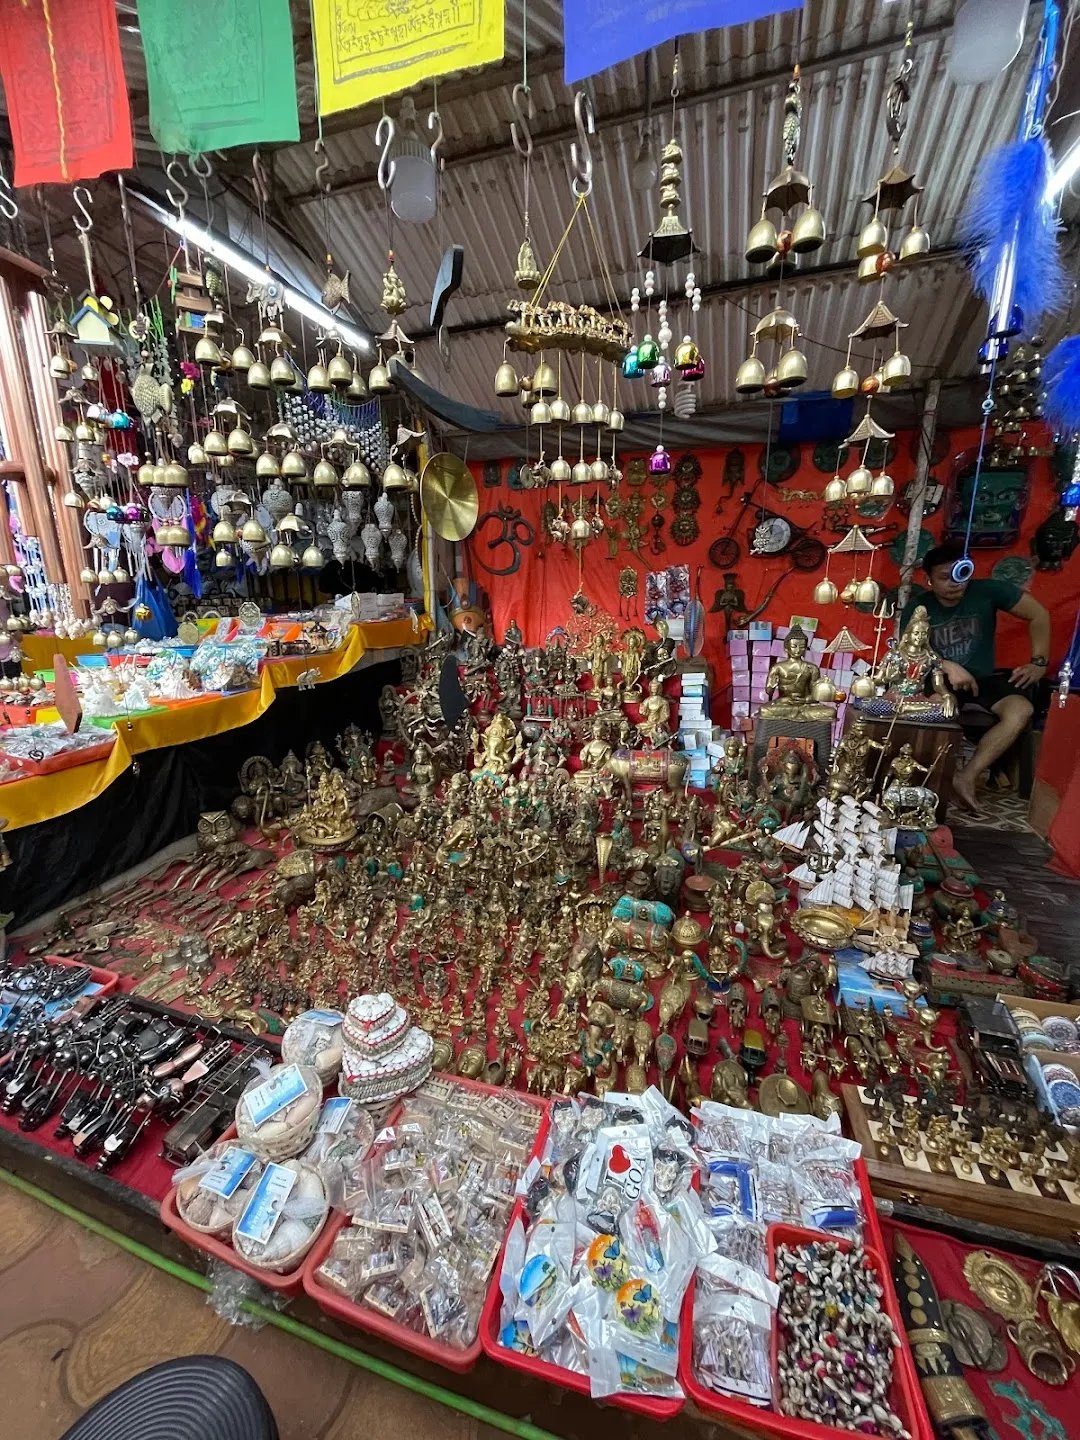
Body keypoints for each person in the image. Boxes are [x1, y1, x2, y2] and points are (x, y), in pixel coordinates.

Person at [899, 541, 1050, 812]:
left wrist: (1039, 662)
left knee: (1021, 710)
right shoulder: (918, 608)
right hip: (937, 680)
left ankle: (966, 776)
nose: (955, 584)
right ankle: (931, 784)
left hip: (984, 678)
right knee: (940, 709)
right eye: (944, 578)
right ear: (929, 579)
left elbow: (1039, 614)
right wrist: (945, 664)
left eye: (960, 574)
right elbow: (909, 651)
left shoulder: (986, 591)